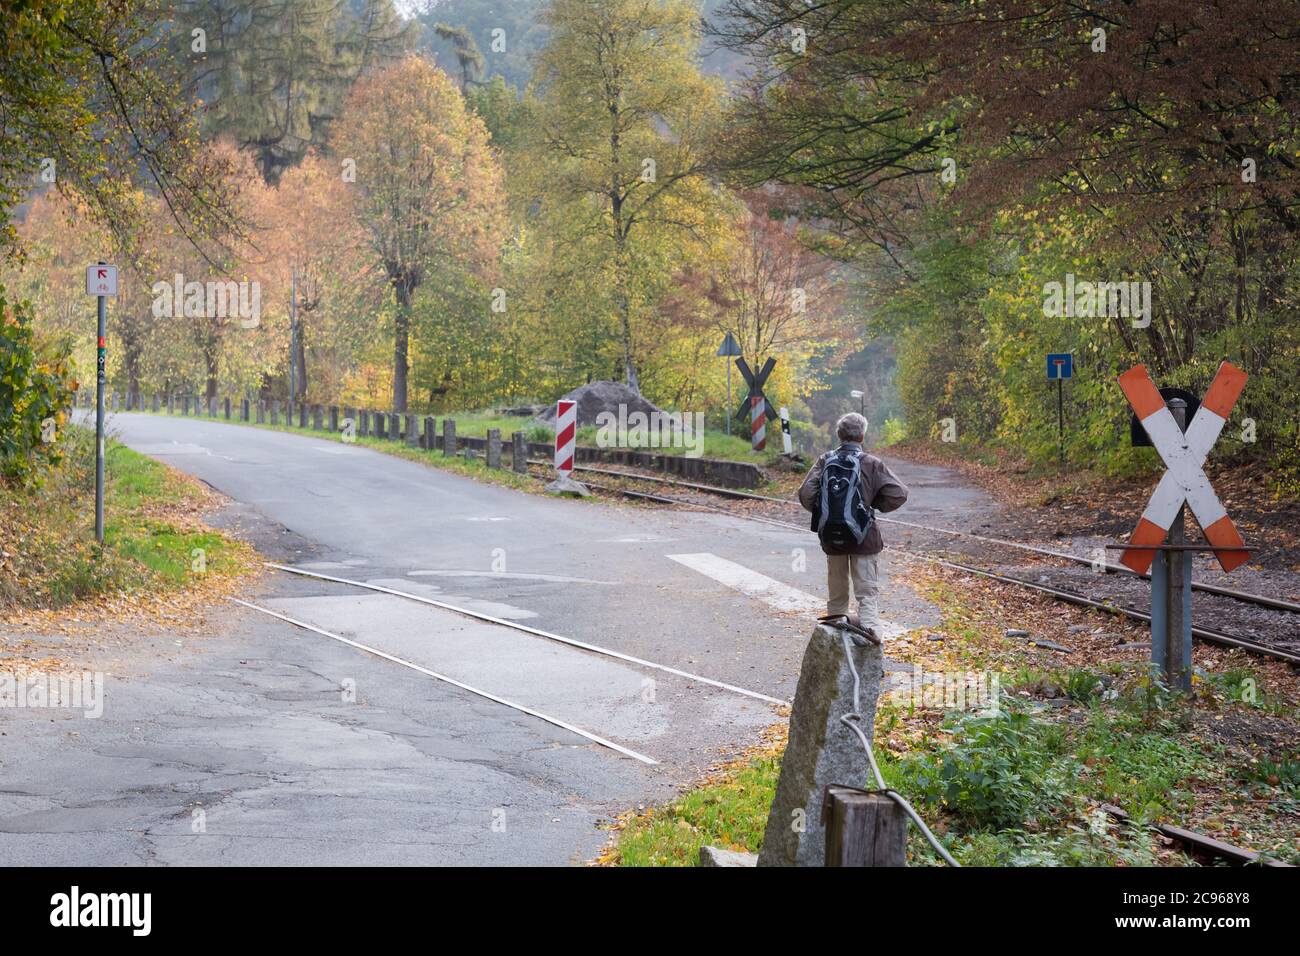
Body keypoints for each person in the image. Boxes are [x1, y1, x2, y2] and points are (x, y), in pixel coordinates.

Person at [797, 412, 909, 638]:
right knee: (866, 595)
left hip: (832, 538)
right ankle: (869, 653)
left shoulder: (824, 460)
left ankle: (835, 650)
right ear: (862, 436)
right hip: (864, 539)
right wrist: (868, 507)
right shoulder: (871, 463)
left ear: (839, 435)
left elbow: (805, 494)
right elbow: (899, 494)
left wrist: (828, 513)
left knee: (837, 599)